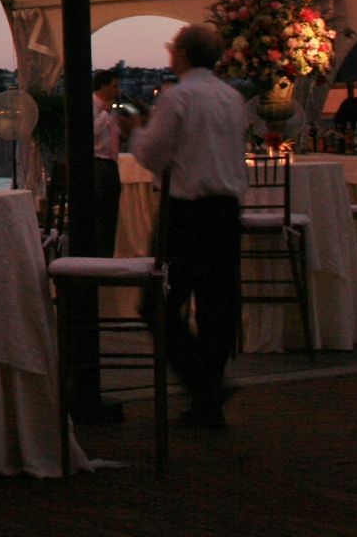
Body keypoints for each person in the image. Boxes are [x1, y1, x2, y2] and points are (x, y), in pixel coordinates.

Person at [131, 22, 247, 429]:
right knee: (216, 308)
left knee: (157, 303)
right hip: (227, 210)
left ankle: (202, 384)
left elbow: (152, 155)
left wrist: (137, 132)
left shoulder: (177, 98)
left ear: (180, 54)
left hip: (186, 212)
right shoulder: (233, 98)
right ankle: (208, 401)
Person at [91, 71, 135, 256]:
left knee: (111, 212)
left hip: (112, 162)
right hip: (98, 163)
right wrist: (104, 113)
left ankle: (109, 252)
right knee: (102, 212)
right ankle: (100, 254)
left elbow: (114, 134)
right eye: (114, 86)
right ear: (103, 86)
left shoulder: (111, 109)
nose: (117, 90)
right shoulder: (93, 105)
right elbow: (91, 131)